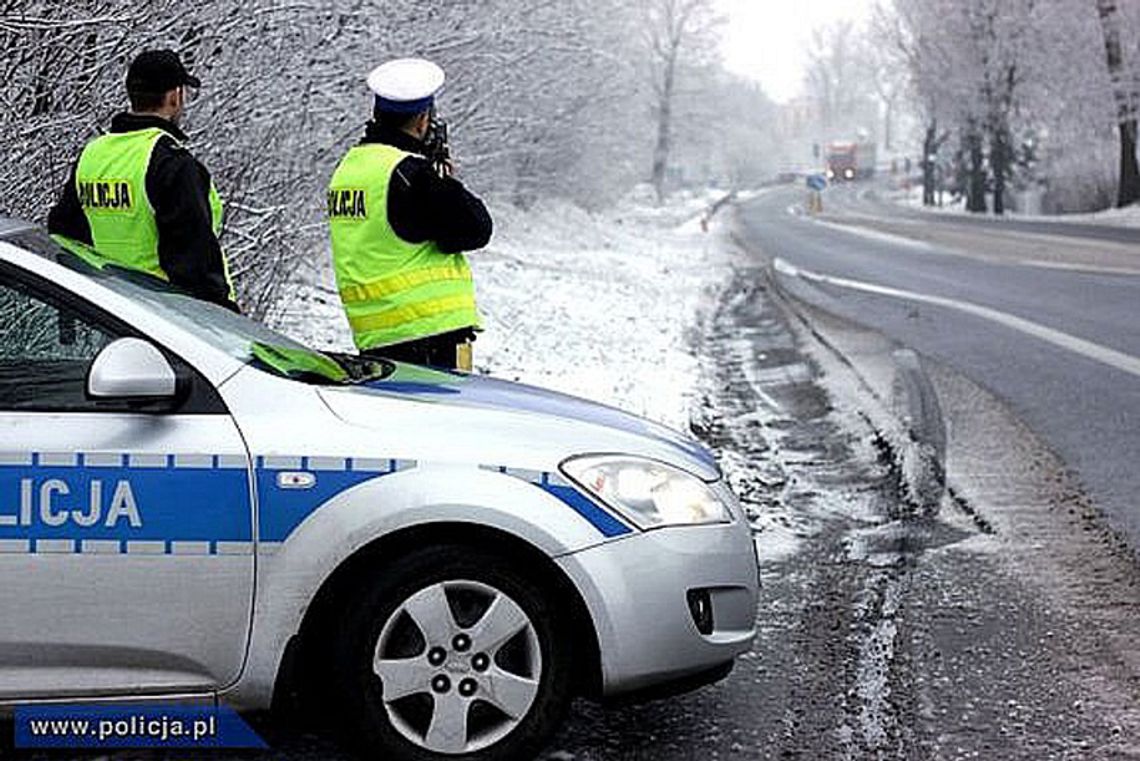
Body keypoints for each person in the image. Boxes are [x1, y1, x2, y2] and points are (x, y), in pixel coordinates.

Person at [327, 58, 492, 371]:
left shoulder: (349, 169)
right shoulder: (410, 174)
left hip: (376, 336)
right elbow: (476, 228)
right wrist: (444, 178)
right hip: (429, 336)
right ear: (422, 121)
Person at [48, 49, 238, 312]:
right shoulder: (173, 164)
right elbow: (195, 264)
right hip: (169, 319)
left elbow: (64, 240)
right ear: (175, 96)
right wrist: (227, 321)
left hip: (110, 314)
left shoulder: (91, 154)